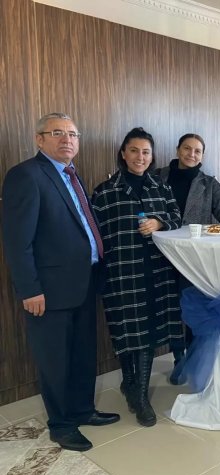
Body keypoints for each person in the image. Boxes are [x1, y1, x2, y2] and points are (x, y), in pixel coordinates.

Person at [2, 113, 119, 452]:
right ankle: (62, 424)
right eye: (57, 133)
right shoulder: (26, 175)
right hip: (49, 290)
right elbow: (17, 241)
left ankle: (83, 410)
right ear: (39, 139)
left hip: (84, 282)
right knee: (54, 361)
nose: (67, 139)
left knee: (83, 354)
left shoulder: (71, 174)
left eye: (72, 134)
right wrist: (30, 289)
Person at [92, 127, 184, 427]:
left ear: (152, 156)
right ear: (123, 153)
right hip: (122, 274)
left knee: (146, 334)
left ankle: (140, 396)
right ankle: (130, 384)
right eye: (134, 151)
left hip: (157, 272)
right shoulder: (105, 192)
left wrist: (159, 222)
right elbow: (94, 236)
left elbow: (177, 218)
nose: (140, 157)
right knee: (125, 333)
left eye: (145, 152)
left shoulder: (161, 188)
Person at [157, 133, 220, 383]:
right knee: (170, 308)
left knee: (191, 309)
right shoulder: (159, 177)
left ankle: (194, 361)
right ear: (178, 150)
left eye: (197, 151)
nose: (191, 154)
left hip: (194, 257)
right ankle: (179, 360)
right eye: (187, 148)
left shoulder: (209, 183)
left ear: (202, 156)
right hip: (162, 253)